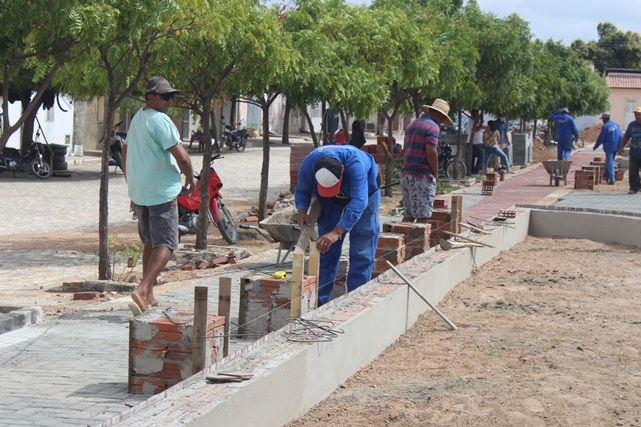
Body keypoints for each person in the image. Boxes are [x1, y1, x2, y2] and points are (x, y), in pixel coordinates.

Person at [122, 76, 197, 311]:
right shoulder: (161, 121)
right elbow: (182, 157)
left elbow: (125, 152)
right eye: (165, 96)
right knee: (166, 242)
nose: (169, 101)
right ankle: (142, 288)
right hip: (161, 192)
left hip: (142, 192)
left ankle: (149, 296)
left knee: (150, 242)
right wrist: (191, 177)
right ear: (150, 97)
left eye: (171, 96)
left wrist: (132, 183)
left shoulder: (137, 119)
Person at [295, 145, 380, 306]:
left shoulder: (355, 164)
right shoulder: (309, 163)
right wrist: (302, 211)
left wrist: (337, 232)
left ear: (342, 170)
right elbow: (302, 189)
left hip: (365, 194)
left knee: (362, 249)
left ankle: (356, 300)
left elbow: (359, 202)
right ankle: (319, 303)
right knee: (325, 248)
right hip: (331, 202)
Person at [401, 98, 454, 223]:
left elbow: (405, 149)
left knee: (409, 214)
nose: (442, 122)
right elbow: (431, 152)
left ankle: (403, 240)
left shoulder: (412, 124)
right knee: (422, 216)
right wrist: (435, 172)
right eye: (442, 119)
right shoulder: (433, 127)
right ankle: (418, 242)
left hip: (406, 174)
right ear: (439, 114)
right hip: (421, 176)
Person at [593, 113, 622, 185]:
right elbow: (620, 135)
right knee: (611, 160)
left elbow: (601, 138)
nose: (602, 121)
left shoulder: (605, 127)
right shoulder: (616, 125)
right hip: (617, 146)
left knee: (610, 162)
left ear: (605, 119)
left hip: (609, 146)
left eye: (603, 119)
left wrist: (596, 146)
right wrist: (621, 146)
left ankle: (612, 179)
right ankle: (606, 175)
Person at [619, 106, 641, 194]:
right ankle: (634, 188)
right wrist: (621, 148)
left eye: (639, 115)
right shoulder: (632, 125)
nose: (637, 116)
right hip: (634, 153)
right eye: (636, 115)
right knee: (633, 171)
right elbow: (626, 137)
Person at [466, 110, 484, 175]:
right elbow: (475, 129)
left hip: (477, 142)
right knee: (481, 156)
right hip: (475, 142)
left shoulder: (475, 121)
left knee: (473, 157)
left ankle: (472, 171)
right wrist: (481, 125)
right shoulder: (471, 121)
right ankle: (475, 171)